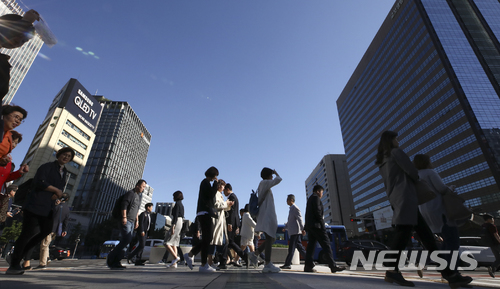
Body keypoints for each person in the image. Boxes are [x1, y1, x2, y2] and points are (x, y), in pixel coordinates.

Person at [376, 131, 471, 287]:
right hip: (407, 197)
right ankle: (392, 271)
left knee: (426, 237)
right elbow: (412, 172)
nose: (398, 141)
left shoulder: (382, 160)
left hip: (396, 197)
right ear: (391, 140)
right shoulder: (396, 152)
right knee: (405, 234)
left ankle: (450, 275)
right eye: (396, 138)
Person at [6, 147, 73, 275]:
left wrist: (56, 194)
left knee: (46, 230)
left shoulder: (65, 172)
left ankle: (16, 256)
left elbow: (59, 188)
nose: (66, 157)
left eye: (69, 156)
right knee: (27, 233)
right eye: (64, 154)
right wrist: (56, 190)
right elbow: (39, 182)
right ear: (58, 154)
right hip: (35, 204)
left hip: (48, 206)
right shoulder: (47, 166)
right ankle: (14, 264)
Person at [413, 154, 472, 282]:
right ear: (427, 162)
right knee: (452, 242)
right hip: (440, 211)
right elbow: (442, 189)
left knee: (445, 243)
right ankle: (452, 273)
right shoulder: (430, 172)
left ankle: (446, 271)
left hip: (427, 213)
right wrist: (451, 188)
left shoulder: (416, 176)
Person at [184, 166, 221, 273]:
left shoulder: (205, 183)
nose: (216, 178)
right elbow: (210, 194)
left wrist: (214, 185)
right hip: (204, 212)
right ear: (213, 175)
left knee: (207, 238)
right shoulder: (205, 182)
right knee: (208, 237)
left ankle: (191, 255)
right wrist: (215, 185)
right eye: (215, 176)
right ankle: (203, 264)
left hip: (204, 212)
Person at [107, 179, 147, 270]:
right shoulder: (130, 193)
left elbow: (136, 210)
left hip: (132, 222)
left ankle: (117, 262)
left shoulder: (138, 196)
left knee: (127, 243)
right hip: (126, 220)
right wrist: (124, 217)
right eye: (143, 186)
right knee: (127, 239)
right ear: (137, 185)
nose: (143, 189)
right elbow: (124, 205)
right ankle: (111, 257)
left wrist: (137, 221)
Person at [304, 185, 344, 273]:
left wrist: (305, 227)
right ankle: (333, 266)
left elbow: (307, 214)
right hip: (317, 226)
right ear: (318, 191)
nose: (322, 194)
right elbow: (318, 213)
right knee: (326, 244)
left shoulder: (310, 199)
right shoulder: (316, 198)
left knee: (311, 246)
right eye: (322, 192)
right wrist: (323, 226)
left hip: (311, 227)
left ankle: (308, 266)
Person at [249, 168, 282, 273]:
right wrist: (276, 173)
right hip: (267, 215)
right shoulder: (264, 183)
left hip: (266, 214)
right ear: (268, 176)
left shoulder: (263, 184)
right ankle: (267, 263)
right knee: (270, 237)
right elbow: (279, 179)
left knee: (271, 238)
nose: (272, 177)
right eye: (271, 175)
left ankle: (256, 253)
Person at [35, 193, 71, 269]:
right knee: (47, 243)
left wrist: (55, 205)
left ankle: (43, 263)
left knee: (44, 244)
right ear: (67, 199)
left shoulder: (55, 205)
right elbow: (66, 220)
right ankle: (47, 258)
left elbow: (50, 213)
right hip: (57, 229)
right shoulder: (67, 208)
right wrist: (64, 230)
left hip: (49, 227)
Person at [207, 179, 232, 270]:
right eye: (222, 186)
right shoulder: (216, 194)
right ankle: (216, 261)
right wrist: (226, 204)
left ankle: (218, 261)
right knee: (217, 241)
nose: (223, 188)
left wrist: (227, 205)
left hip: (220, 221)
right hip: (217, 221)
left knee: (219, 241)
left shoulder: (220, 195)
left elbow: (222, 206)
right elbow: (217, 205)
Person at [223, 183, 248, 267]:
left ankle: (243, 256)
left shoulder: (232, 197)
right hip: (234, 222)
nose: (224, 193)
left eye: (224, 191)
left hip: (231, 222)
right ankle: (233, 257)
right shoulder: (234, 196)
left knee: (229, 241)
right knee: (229, 242)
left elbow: (232, 212)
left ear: (227, 189)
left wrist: (229, 223)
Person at [281, 194, 306, 270]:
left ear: (291, 200)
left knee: (291, 249)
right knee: (300, 248)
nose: (286, 201)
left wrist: (303, 229)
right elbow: (290, 221)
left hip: (295, 232)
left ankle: (287, 264)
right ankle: (310, 260)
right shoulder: (291, 209)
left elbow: (300, 219)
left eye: (287, 199)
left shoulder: (295, 208)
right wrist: (285, 227)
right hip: (293, 232)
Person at [165, 191, 184, 269]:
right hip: (180, 222)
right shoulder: (181, 205)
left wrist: (173, 226)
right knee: (174, 243)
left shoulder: (177, 205)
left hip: (176, 222)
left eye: (174, 196)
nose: (173, 198)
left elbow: (175, 216)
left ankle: (176, 257)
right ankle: (174, 263)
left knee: (166, 242)